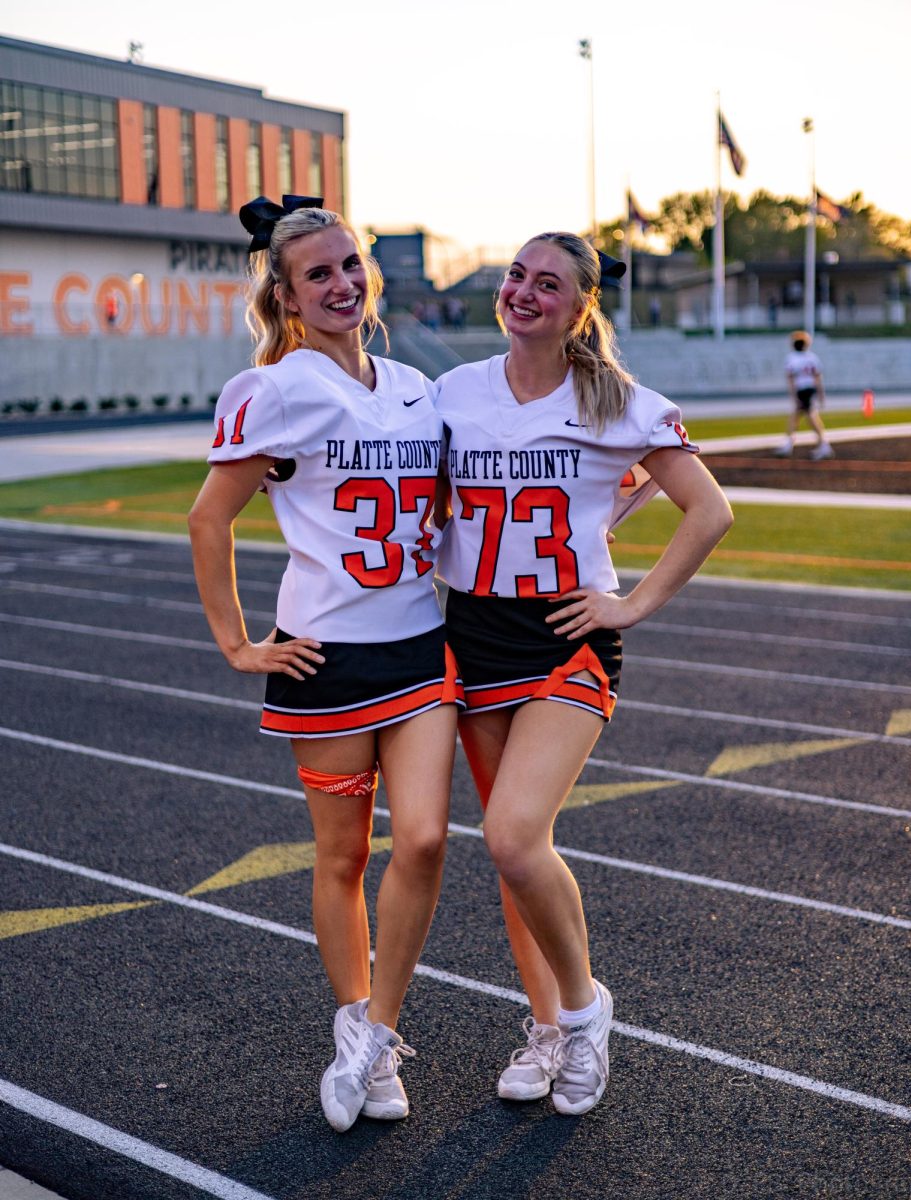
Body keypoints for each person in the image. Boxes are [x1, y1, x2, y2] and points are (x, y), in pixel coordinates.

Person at [434, 232, 733, 1115]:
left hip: (567, 634)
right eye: (517, 275)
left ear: (580, 307)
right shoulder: (452, 392)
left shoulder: (616, 401)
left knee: (514, 836)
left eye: (548, 283)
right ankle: (548, 1026)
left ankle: (585, 1011)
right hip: (474, 630)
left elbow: (709, 510)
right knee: (513, 857)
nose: (524, 292)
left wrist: (631, 604)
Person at [188, 195, 462, 1134]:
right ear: (289, 296)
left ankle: (375, 1033)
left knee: (422, 838)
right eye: (318, 274)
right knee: (344, 855)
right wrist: (236, 642)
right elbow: (208, 518)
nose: (341, 284)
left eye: (351, 265)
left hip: (419, 644)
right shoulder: (273, 388)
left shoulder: (418, 385)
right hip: (325, 658)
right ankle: (359, 1025)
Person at [776, 329, 834, 460]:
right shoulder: (812, 357)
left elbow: (790, 379)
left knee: (810, 417)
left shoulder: (792, 358)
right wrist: (821, 394)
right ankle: (790, 443)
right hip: (810, 389)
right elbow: (818, 377)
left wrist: (794, 396)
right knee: (797, 416)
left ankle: (823, 445)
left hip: (802, 390)